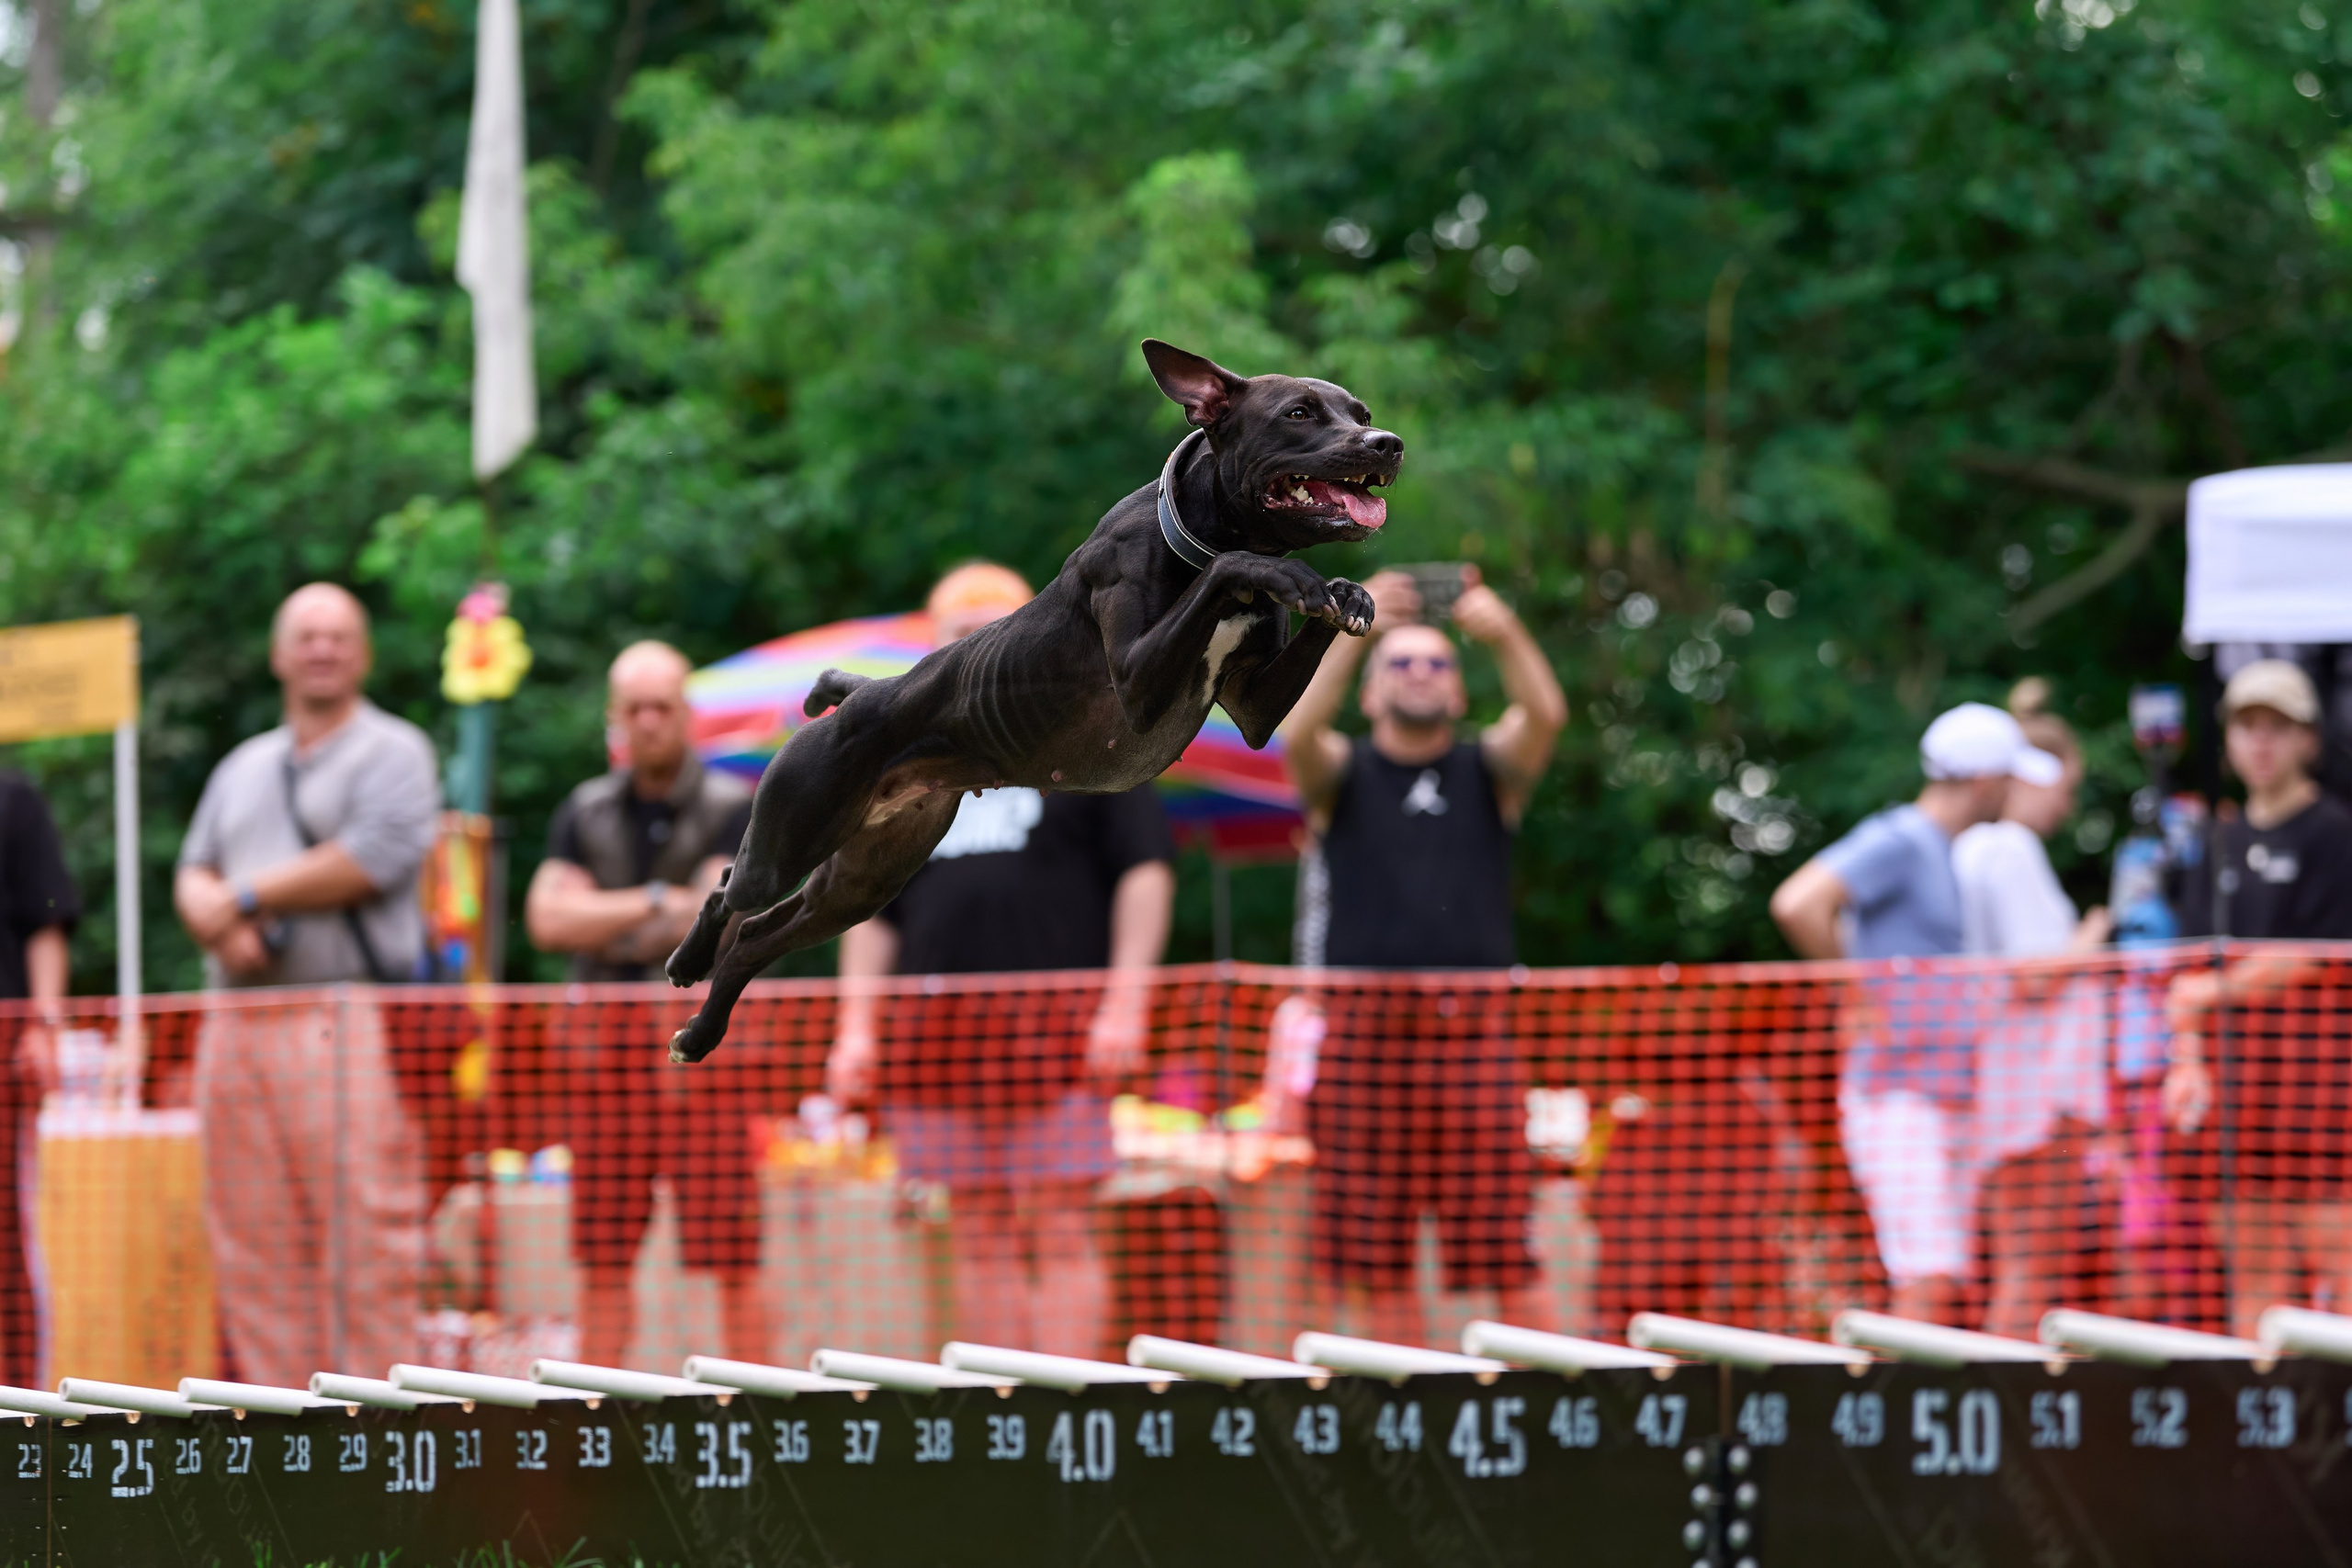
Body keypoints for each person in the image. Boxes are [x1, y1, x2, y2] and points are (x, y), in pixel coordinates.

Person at [828, 563, 1175, 1358]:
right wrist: (856, 1029)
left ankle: (1065, 1409)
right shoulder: (902, 773)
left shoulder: (1093, 733)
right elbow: (868, 909)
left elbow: (1145, 872)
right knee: (978, 1231)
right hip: (936, 1041)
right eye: (955, 637)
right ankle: (1007, 1411)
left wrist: (1126, 1006)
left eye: (988, 633)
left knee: (1061, 1223)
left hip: (1060, 1034)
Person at [1278, 565, 1569, 1347]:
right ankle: (1404, 1442)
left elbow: (1545, 712)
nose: (1420, 673)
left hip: (1473, 1045)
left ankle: (1559, 1434)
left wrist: (1503, 631)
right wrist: (1347, 632)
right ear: (1371, 692)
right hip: (1363, 1051)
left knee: (1509, 1258)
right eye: (1399, 662)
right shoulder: (1338, 775)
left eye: (1438, 663)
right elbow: (1298, 732)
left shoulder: (1490, 773)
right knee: (1376, 1268)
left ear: (1459, 692)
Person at [175, 583, 439, 1385]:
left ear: (361, 653)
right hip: (237, 1019)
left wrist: (246, 897)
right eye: (306, 635)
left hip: (342, 1014)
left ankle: (377, 1432)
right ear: (279, 653)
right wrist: (218, 920)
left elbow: (373, 855)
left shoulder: (394, 750)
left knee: (366, 1240)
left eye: (338, 635)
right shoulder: (241, 765)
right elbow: (193, 871)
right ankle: (281, 1436)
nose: (321, 647)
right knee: (251, 1241)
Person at [1770, 701, 2062, 1324]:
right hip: (1898, 1093)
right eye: (2009, 777)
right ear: (1985, 780)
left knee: (1944, 1283)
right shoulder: (1902, 838)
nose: (2014, 792)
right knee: (1926, 1281)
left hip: (1941, 1094)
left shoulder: (1946, 851)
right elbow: (1798, 902)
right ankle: (1892, 1418)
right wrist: (1857, 993)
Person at [525, 640, 768, 1369]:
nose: (650, 720)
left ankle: (754, 1413)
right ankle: (597, 1413)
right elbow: (544, 920)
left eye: (663, 704)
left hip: (707, 1064)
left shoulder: (736, 806)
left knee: (734, 1257)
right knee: (602, 1256)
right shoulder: (583, 808)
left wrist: (601, 913)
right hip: (605, 1070)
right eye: (635, 707)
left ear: (688, 715)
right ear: (615, 718)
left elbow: (718, 915)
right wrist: (664, 902)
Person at [2162, 659, 2352, 1337]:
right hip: (2239, 1097)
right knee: (2254, 1280)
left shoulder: (2336, 832)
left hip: (2323, 1094)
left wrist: (2221, 987)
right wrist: (2186, 1060)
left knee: (2341, 1264)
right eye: (2247, 726)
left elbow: (2324, 950)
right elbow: (2184, 977)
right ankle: (2264, 1434)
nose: (2261, 741)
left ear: (2307, 738)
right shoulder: (2215, 843)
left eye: (2278, 726)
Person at [1951, 686, 2113, 1336]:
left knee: (2025, 1268)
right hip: (2033, 1099)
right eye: (2065, 788)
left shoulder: (1980, 848)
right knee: (2030, 1270)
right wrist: (2096, 930)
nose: (2066, 805)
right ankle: (2007, 1416)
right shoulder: (2007, 849)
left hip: (2017, 1095)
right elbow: (2034, 972)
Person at [0, 771, 78, 1386]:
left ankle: (16, 1405)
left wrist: (43, 1025)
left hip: (4, 1040)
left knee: (4, 1233)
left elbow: (45, 922)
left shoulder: (14, 799)